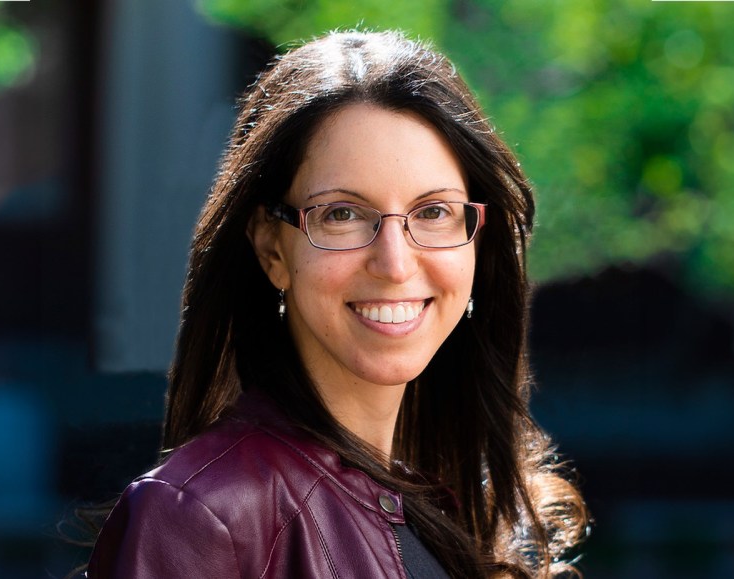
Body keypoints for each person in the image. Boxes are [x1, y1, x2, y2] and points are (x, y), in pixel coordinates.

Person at [87, 30, 586, 578]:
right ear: (272, 248)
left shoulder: (446, 503)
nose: (395, 264)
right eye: (342, 214)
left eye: (434, 212)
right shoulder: (204, 517)